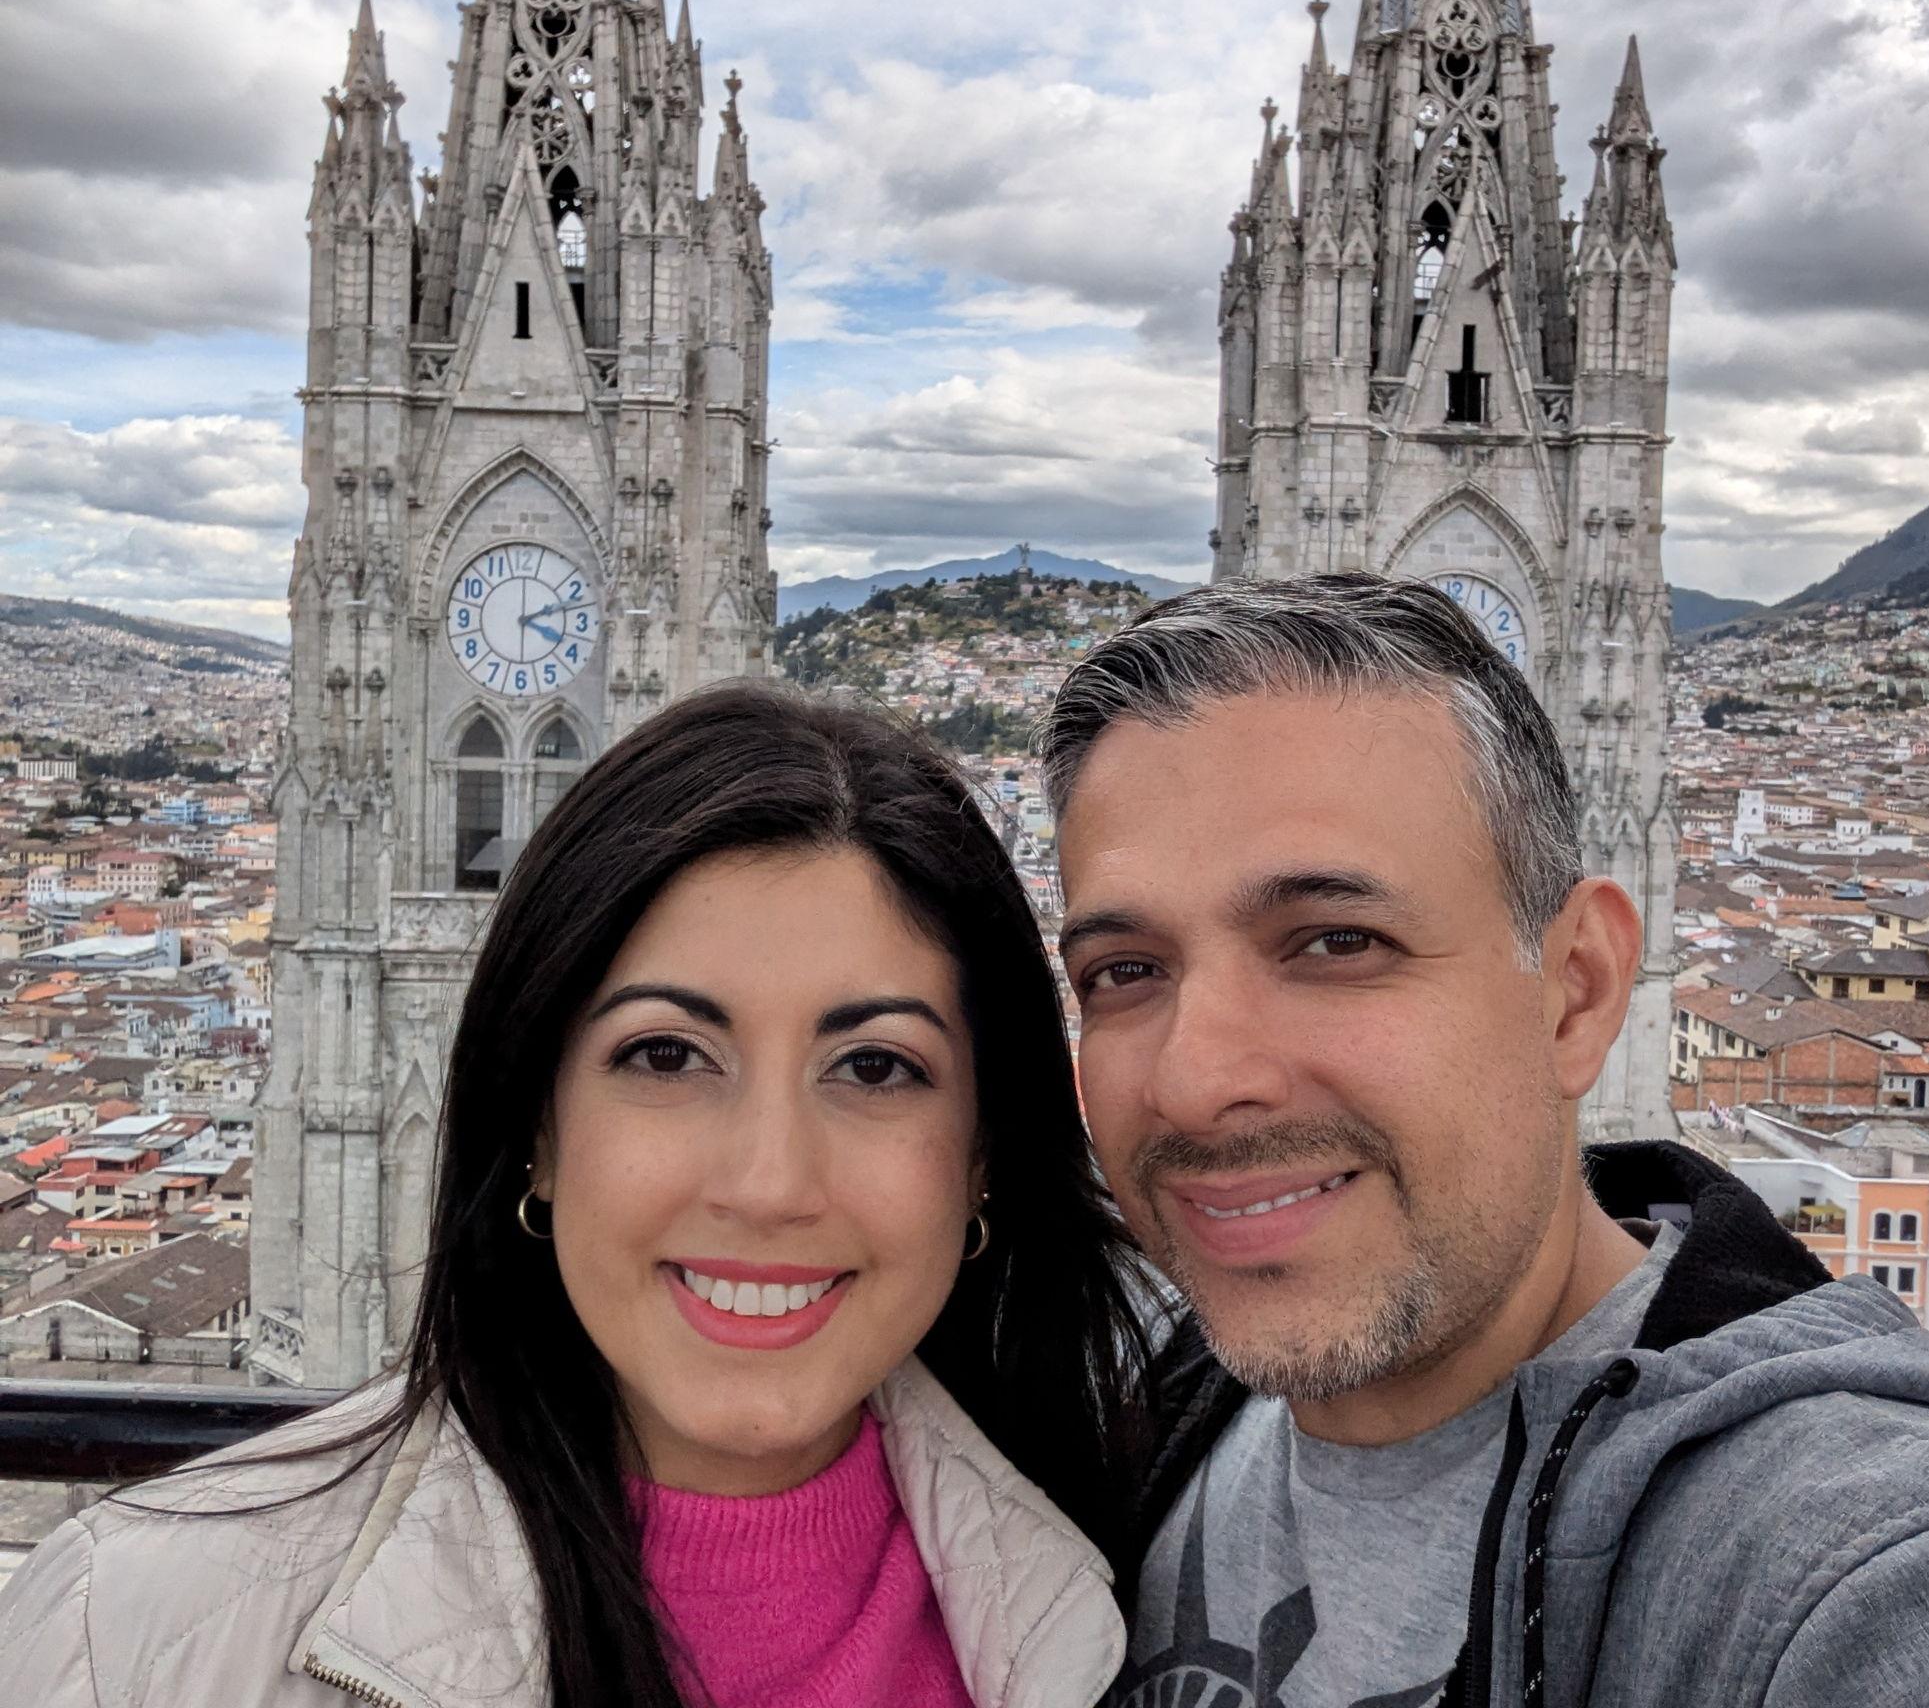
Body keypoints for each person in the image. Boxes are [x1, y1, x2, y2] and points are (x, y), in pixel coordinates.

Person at [0, 682, 1157, 1707]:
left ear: (982, 1156)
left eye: (873, 1066)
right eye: (664, 1055)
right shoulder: (130, 1639)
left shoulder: (1141, 1596)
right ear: (536, 1129)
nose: (766, 1182)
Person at [1042, 573, 1929, 1708]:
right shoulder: (1127, 1432)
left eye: (1334, 941)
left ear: (1575, 992)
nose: (1193, 1080)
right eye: (1122, 971)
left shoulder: (1878, 1575)